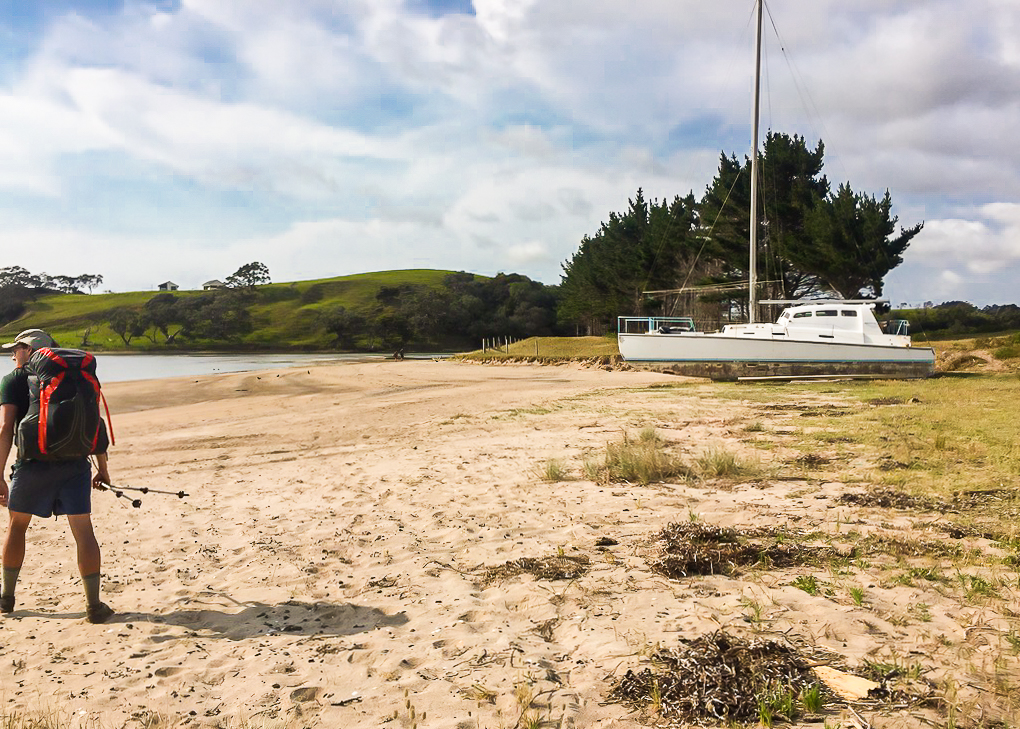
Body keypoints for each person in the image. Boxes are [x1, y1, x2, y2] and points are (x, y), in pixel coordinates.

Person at [0, 328, 114, 623]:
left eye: (17, 348)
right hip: (75, 464)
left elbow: (5, 430)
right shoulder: (76, 377)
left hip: (32, 464)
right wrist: (103, 469)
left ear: (30, 351)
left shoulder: (13, 380)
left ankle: (6, 599)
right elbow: (94, 422)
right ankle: (94, 606)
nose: (13, 354)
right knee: (84, 531)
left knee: (17, 527)